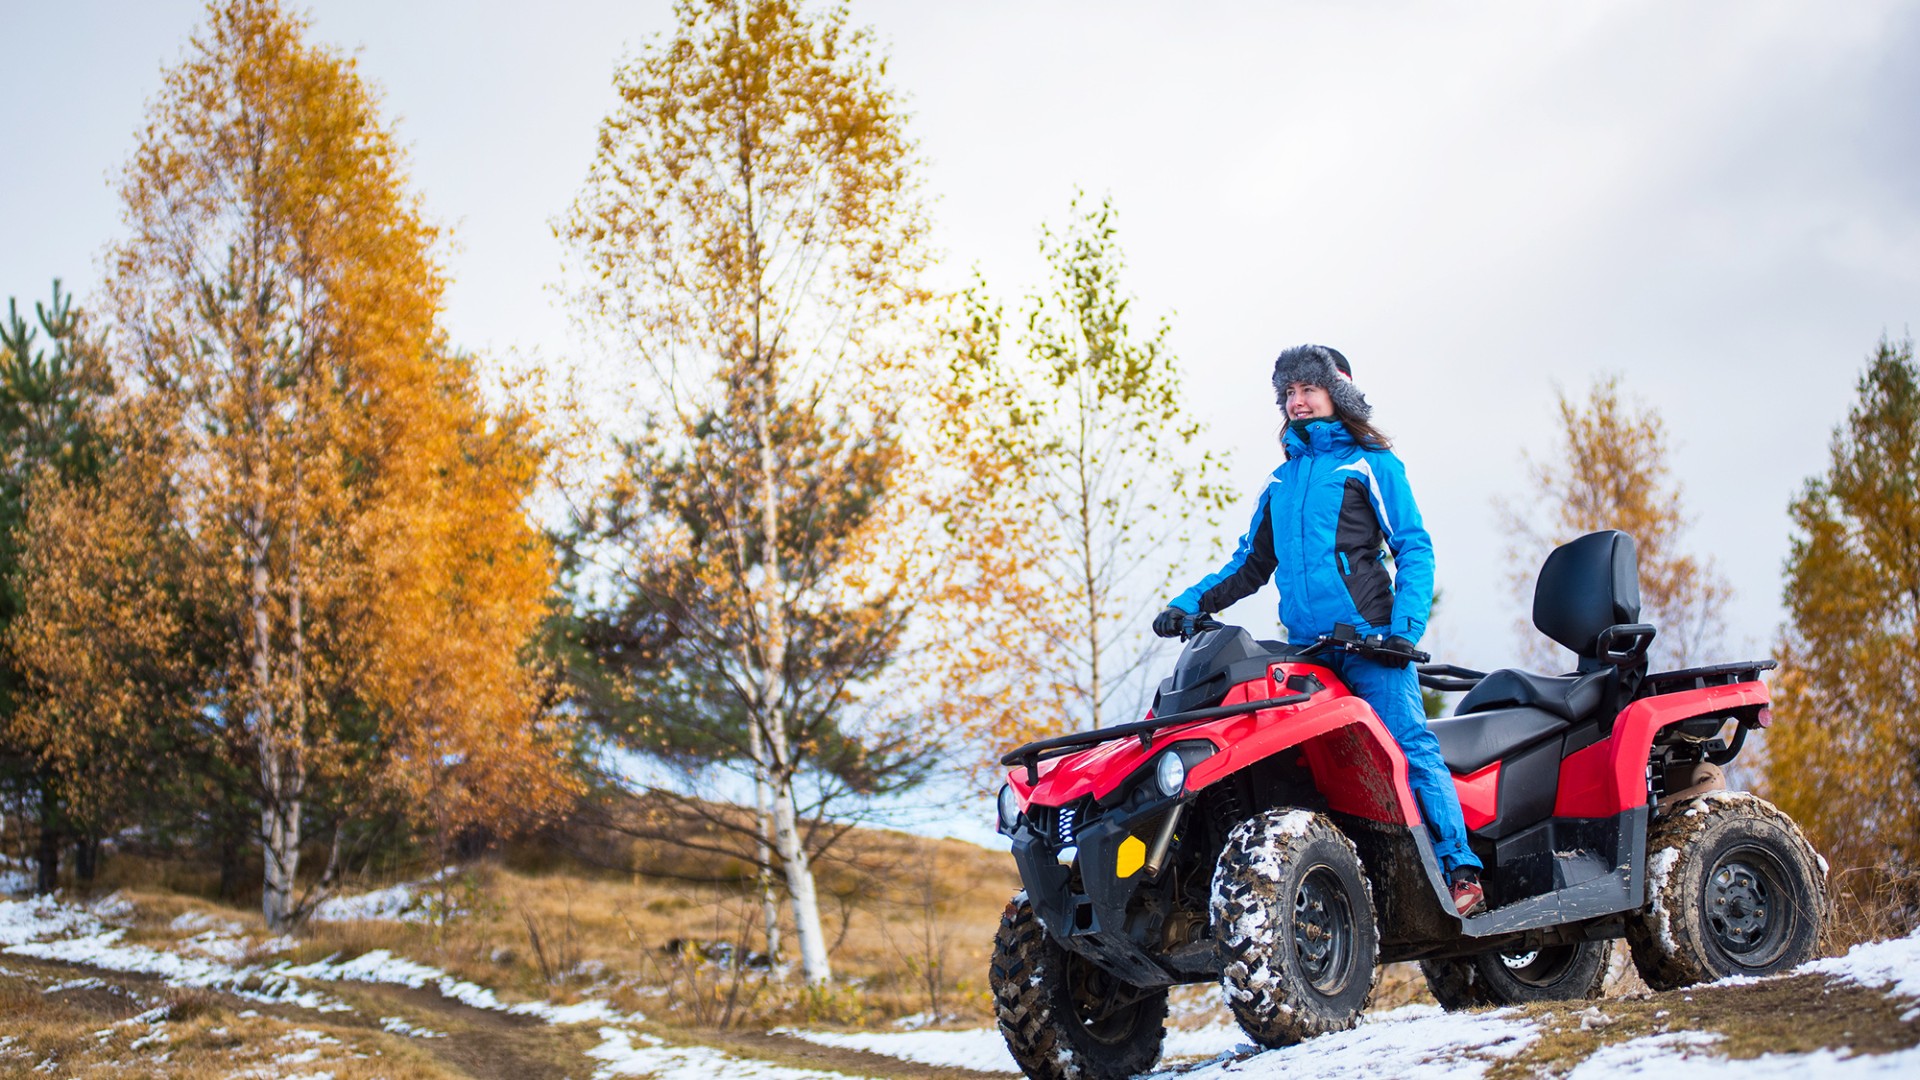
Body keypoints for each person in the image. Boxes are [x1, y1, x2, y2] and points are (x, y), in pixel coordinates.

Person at [1152, 344, 1486, 917]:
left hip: (1372, 646)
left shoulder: (1371, 464)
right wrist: (1186, 606)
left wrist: (1402, 628)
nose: (1298, 401)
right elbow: (1248, 565)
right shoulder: (1282, 483)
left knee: (1407, 748)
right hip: (1310, 653)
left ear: (1339, 393)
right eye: (1289, 393)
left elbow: (1413, 547)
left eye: (1308, 388)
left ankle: (1460, 869)